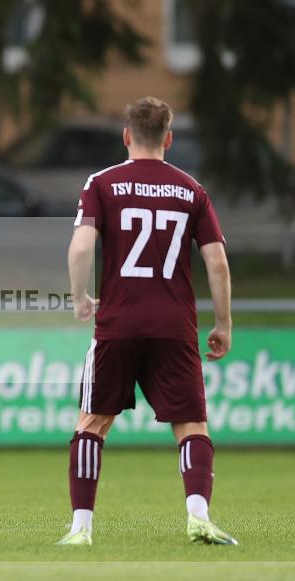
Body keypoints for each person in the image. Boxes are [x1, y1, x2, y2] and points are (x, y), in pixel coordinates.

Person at [58, 97, 236, 546]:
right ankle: (199, 517)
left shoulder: (102, 183)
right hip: (174, 325)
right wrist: (224, 323)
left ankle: (81, 529)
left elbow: (80, 249)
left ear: (126, 136)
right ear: (169, 139)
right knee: (192, 426)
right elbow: (216, 262)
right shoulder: (191, 190)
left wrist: (80, 298)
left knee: (92, 424)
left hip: (118, 322)